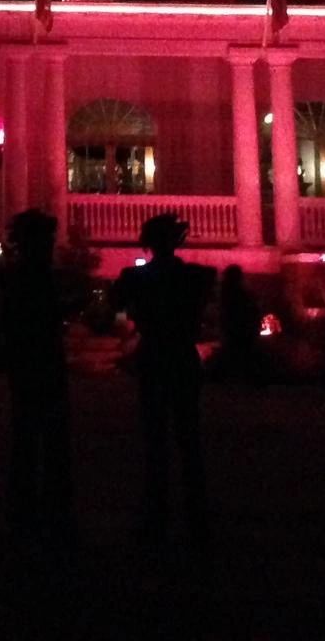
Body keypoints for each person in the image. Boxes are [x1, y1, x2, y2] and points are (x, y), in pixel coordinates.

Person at [109, 213, 215, 540]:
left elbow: (115, 305)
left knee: (156, 434)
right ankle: (194, 506)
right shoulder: (197, 276)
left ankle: (157, 505)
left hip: (154, 357)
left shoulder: (135, 278)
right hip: (182, 357)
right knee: (188, 434)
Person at [1, 209, 74, 539]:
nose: (50, 246)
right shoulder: (33, 277)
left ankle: (34, 498)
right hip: (38, 362)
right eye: (46, 239)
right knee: (38, 431)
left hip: (34, 363)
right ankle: (42, 501)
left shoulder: (23, 276)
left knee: (34, 432)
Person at [217, 264, 263, 386]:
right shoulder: (240, 293)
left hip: (235, 328)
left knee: (235, 353)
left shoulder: (226, 292)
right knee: (242, 354)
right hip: (242, 329)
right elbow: (253, 309)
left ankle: (234, 378)